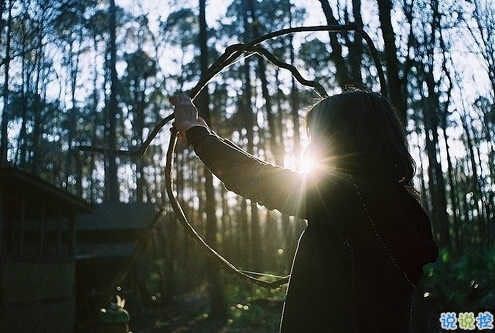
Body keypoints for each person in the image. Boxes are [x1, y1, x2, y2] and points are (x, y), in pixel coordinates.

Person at [170, 89, 438, 332]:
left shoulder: (347, 196)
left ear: (346, 138)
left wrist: (196, 133)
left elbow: (258, 178)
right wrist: (206, 134)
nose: (310, 148)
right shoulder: (399, 204)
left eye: (318, 137)